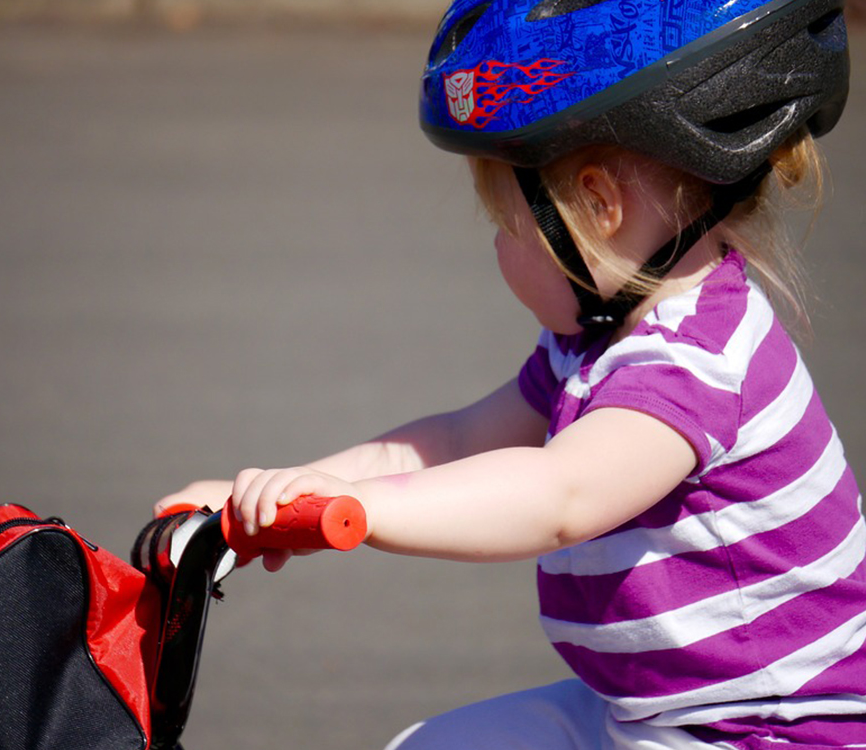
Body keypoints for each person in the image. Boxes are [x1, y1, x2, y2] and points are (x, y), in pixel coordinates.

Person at [157, 0, 865, 746]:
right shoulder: (600, 342)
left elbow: (559, 494)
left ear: (597, 207)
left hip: (768, 737)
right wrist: (276, 498)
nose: (496, 250)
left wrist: (358, 512)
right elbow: (458, 439)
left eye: (504, 225)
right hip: (652, 713)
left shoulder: (696, 364)